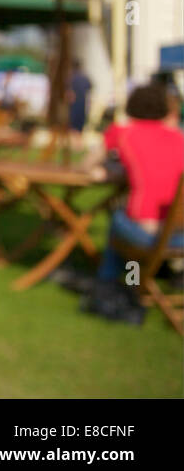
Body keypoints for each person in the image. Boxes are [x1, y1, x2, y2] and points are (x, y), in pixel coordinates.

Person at [83, 84, 184, 324]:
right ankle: (132, 280)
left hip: (148, 236)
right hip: (180, 235)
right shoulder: (179, 137)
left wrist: (106, 172)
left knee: (118, 217)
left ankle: (110, 283)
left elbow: (87, 164)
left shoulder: (122, 131)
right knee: (124, 221)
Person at [67, 59, 92, 148]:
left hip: (74, 104)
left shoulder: (71, 77)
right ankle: (79, 144)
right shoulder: (84, 77)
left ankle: (75, 144)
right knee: (80, 123)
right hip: (83, 102)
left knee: (73, 124)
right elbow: (90, 87)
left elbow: (67, 91)